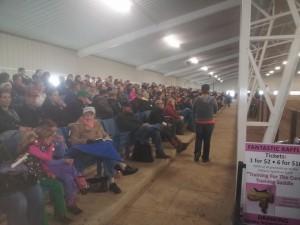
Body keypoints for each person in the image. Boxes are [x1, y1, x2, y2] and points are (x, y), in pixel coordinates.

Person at [68, 106, 138, 194]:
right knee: (106, 149)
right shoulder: (76, 126)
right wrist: (87, 141)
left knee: (107, 147)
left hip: (99, 150)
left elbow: (105, 135)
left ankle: (112, 182)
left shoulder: (97, 124)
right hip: (85, 151)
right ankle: (120, 167)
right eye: (87, 114)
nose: (89, 117)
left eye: (91, 115)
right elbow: (73, 141)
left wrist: (107, 139)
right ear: (83, 115)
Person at [18, 126, 72, 223]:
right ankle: (42, 222)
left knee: (57, 185)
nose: (51, 140)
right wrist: (51, 147)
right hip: (29, 178)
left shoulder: (40, 145)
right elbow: (47, 159)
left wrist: (47, 171)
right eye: (50, 138)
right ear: (42, 138)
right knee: (40, 196)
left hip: (38, 174)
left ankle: (60, 214)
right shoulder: (32, 147)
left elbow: (41, 162)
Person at [0, 143, 44, 225]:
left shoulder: (1, 145)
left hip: (7, 183)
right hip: (3, 190)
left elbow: (8, 161)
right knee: (18, 200)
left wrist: (15, 163)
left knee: (35, 192)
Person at [193, 84, 218, 163]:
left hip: (199, 121)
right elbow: (215, 110)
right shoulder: (213, 99)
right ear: (209, 90)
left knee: (198, 139)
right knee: (207, 140)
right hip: (210, 122)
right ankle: (205, 158)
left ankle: (196, 155)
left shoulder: (197, 99)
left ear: (201, 90)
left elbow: (193, 109)